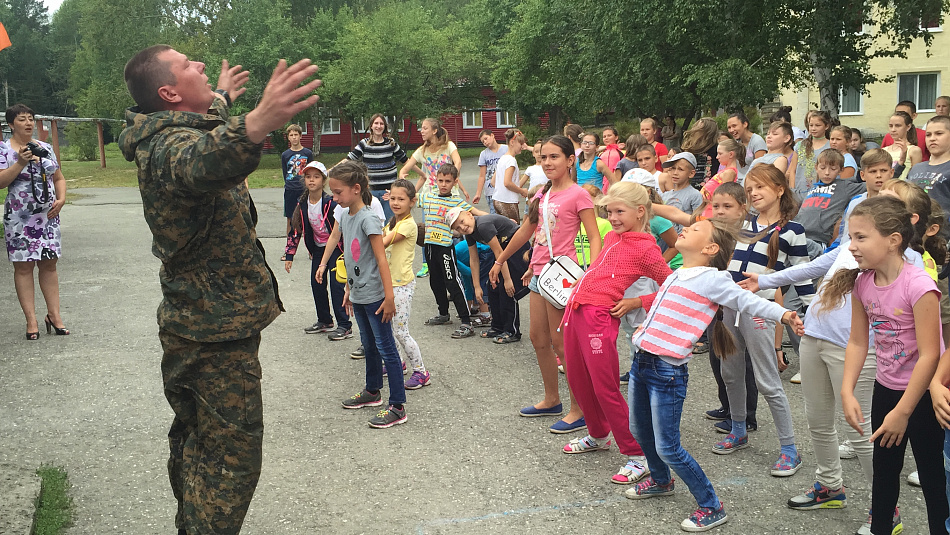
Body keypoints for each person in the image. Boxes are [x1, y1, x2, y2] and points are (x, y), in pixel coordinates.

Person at [119, 45, 320, 534]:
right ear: (169, 93)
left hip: (201, 326)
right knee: (229, 459)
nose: (202, 66)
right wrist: (257, 123)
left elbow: (205, 129)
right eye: (189, 67)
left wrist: (224, 97)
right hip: (213, 336)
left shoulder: (175, 128)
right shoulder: (170, 149)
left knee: (197, 442)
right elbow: (206, 160)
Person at [626, 217, 805, 533]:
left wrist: (786, 314)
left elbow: (747, 301)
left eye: (694, 230)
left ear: (710, 248)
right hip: (642, 363)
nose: (685, 229)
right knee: (640, 431)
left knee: (668, 446)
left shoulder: (714, 279)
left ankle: (711, 505)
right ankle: (661, 480)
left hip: (667, 371)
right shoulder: (678, 273)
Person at [827, 196, 949, 535]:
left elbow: (930, 355)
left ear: (894, 240)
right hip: (886, 390)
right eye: (851, 237)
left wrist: (903, 412)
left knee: (933, 479)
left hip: (923, 398)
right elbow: (857, 341)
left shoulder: (920, 285)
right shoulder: (863, 282)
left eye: (861, 237)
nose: (851, 246)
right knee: (883, 476)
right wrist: (847, 389)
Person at [559, 181, 671, 485]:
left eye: (619, 211)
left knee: (605, 386)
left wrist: (638, 301)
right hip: (576, 310)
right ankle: (598, 434)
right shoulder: (611, 235)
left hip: (599, 318)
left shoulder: (647, 248)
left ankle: (637, 455)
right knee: (578, 379)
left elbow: (671, 286)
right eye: (610, 211)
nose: (614, 217)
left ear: (639, 211)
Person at [488, 135, 602, 434]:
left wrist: (593, 271)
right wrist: (500, 262)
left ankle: (579, 410)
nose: (548, 162)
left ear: (569, 160)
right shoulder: (542, 194)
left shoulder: (579, 195)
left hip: (562, 276)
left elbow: (593, 235)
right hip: (539, 275)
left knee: (562, 345)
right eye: (544, 158)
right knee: (538, 339)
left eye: (554, 157)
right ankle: (552, 399)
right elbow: (527, 229)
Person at [712, 165, 812, 477]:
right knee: (731, 373)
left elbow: (803, 278)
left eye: (760, 187)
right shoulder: (743, 224)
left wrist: (810, 316)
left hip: (760, 312)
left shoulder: (793, 231)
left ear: (780, 189)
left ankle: (789, 449)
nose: (753, 193)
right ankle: (738, 429)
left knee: (768, 381)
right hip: (729, 309)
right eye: (750, 188)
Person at [318, 161, 405, 428]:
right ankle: (372, 391)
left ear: (356, 189)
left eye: (338, 192)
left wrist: (389, 298)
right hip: (359, 294)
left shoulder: (369, 218)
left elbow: (380, 260)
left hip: (377, 298)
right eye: (332, 192)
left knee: (386, 348)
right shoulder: (345, 215)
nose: (334, 198)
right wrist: (348, 289)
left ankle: (398, 405)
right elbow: (354, 259)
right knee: (368, 346)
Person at [1, 103, 69, 340]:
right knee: (23, 266)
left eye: (31, 118)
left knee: (49, 264)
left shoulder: (45, 148)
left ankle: (54, 315)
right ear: (11, 125)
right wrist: (20, 162)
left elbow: (58, 177)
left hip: (47, 217)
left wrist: (61, 199)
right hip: (20, 218)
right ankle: (31, 320)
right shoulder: (4, 150)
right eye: (22, 119)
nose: (28, 123)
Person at [284, 161, 350, 336]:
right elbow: (296, 230)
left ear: (323, 180)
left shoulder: (331, 204)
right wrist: (289, 255)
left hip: (336, 249)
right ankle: (325, 320)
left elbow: (344, 228)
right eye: (308, 177)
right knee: (317, 284)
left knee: (337, 287)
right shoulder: (302, 204)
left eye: (316, 177)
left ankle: (345, 325)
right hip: (319, 249)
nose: (311, 180)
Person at [418, 163, 484, 338]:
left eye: (448, 181)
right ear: (435, 180)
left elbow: (476, 212)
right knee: (435, 282)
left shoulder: (456, 201)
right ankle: (443, 314)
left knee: (452, 282)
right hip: (430, 247)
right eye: (440, 180)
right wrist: (392, 195)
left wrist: (503, 220)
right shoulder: (428, 197)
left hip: (446, 248)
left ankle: (466, 322)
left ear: (455, 182)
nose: (443, 184)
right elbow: (409, 199)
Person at [448, 208, 530, 343]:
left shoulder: (483, 225)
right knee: (492, 285)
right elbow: (473, 259)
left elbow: (498, 252)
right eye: (458, 227)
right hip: (503, 250)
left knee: (507, 290)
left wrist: (508, 280)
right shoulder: (470, 233)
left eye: (462, 222)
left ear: (469, 215)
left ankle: (512, 331)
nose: (462, 227)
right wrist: (476, 286)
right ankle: (497, 327)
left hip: (516, 245)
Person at [382, 179, 430, 389]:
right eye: (392, 198)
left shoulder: (408, 225)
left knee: (401, 331)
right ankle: (399, 363)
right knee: (390, 330)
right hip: (388, 282)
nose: (396, 202)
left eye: (401, 199)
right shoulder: (393, 222)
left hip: (401, 285)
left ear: (412, 202)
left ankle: (421, 371)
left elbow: (383, 242)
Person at [797, 149, 866, 253]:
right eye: (823, 168)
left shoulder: (845, 186)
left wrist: (899, 165)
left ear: (841, 170)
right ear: (816, 168)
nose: (827, 173)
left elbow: (873, 183)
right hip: (798, 236)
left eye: (833, 169)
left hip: (819, 241)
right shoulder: (812, 189)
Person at [343, 113, 408, 220]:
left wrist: (423, 174)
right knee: (371, 223)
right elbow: (349, 159)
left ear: (385, 127)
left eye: (381, 123)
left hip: (388, 193)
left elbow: (406, 160)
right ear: (371, 126)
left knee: (389, 224)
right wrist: (330, 171)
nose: (379, 126)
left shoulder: (391, 144)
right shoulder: (364, 144)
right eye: (376, 123)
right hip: (370, 192)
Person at [400, 117, 469, 199]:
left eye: (425, 128)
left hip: (450, 195)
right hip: (430, 197)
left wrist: (452, 178)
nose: (421, 131)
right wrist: (401, 174)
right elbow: (405, 169)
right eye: (421, 128)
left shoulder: (449, 146)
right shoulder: (421, 151)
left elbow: (458, 162)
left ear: (434, 131)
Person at [281, 124, 312, 239]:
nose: (294, 137)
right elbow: (285, 172)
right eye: (291, 135)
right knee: (290, 218)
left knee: (307, 218)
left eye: (296, 135)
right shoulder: (285, 155)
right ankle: (289, 248)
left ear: (300, 136)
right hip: (290, 190)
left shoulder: (307, 153)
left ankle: (311, 250)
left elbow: (311, 171)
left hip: (304, 190)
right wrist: (289, 184)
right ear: (288, 137)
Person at [492, 129, 529, 221]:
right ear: (512, 142)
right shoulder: (511, 161)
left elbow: (493, 182)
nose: (523, 147)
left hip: (497, 200)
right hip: (507, 202)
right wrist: (521, 191)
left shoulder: (502, 158)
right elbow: (507, 183)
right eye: (521, 144)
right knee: (513, 230)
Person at [794, 109, 832, 195]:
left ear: (826, 126)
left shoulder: (830, 146)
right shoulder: (800, 145)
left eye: (818, 125)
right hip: (799, 192)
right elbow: (792, 170)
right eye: (811, 125)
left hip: (821, 192)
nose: (813, 129)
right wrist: (793, 190)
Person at [749, 121, 798, 186]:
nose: (769, 136)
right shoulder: (759, 159)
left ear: (786, 138)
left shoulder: (781, 159)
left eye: (775, 134)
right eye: (768, 133)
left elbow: (771, 183)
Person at [727, 112, 767, 184]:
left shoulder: (757, 141)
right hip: (737, 182)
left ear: (745, 124)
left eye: (734, 126)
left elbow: (760, 168)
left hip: (751, 182)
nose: (731, 130)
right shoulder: (736, 143)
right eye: (729, 127)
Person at [474, 129, 507, 213]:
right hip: (491, 191)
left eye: (486, 138)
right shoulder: (484, 154)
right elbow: (482, 175)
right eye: (482, 141)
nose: (485, 142)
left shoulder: (505, 149)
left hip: (505, 188)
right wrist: (478, 193)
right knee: (495, 215)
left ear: (492, 135)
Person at [682, 118, 720, 188]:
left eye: (700, 129)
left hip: (708, 187)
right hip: (690, 185)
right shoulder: (691, 148)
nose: (696, 131)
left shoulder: (716, 149)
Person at [884, 111, 922, 180]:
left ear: (908, 127)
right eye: (891, 126)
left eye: (898, 126)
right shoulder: (884, 150)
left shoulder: (914, 150)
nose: (893, 130)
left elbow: (915, 177)